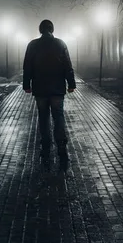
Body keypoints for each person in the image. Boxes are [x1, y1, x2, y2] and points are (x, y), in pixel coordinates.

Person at [23, 19, 76, 164]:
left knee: (43, 116)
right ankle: (61, 145)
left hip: (40, 88)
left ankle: (45, 144)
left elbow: (27, 66)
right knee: (58, 116)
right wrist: (71, 84)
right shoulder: (60, 44)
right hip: (57, 88)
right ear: (52, 29)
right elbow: (67, 65)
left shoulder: (32, 45)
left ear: (40, 30)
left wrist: (26, 84)